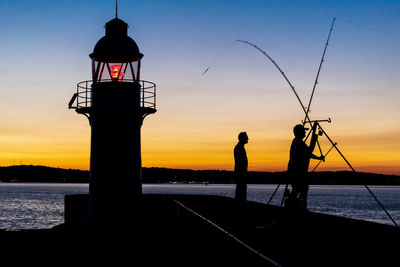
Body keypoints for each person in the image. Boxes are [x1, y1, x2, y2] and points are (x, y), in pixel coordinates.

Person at [286, 123, 324, 209]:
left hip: (295, 172)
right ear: (299, 132)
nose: (305, 133)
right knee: (299, 189)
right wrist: (314, 139)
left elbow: (307, 154)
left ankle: (297, 207)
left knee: (300, 189)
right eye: (304, 131)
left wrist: (318, 158)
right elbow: (309, 151)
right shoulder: (298, 143)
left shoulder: (297, 142)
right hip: (297, 173)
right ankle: (297, 208)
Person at [234, 132, 249, 201]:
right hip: (241, 172)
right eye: (246, 137)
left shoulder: (239, 147)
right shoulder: (239, 148)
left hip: (241, 172)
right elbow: (240, 162)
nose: (248, 139)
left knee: (241, 188)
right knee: (241, 188)